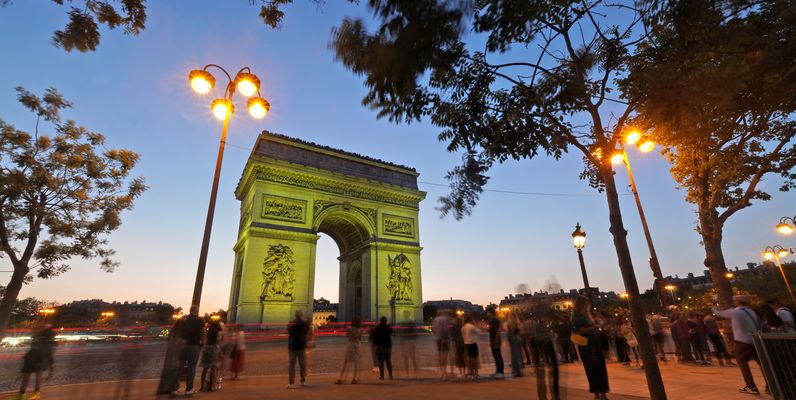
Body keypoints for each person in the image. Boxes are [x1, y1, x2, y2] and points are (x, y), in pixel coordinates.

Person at [713, 295, 768, 395]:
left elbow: (718, 313)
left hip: (742, 341)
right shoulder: (751, 311)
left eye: (734, 300)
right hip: (755, 340)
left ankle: (752, 386)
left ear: (738, 302)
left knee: (742, 363)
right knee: (761, 363)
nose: (733, 301)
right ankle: (769, 385)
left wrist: (713, 306)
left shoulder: (735, 311)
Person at [572, 295, 609, 400]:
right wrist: (595, 327)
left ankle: (602, 392)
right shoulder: (576, 315)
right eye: (586, 303)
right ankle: (597, 393)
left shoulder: (586, 314)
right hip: (587, 344)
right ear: (582, 304)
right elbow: (580, 331)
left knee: (600, 367)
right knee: (592, 368)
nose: (588, 305)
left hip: (595, 342)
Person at [16, 323, 56, 400]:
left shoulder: (46, 338)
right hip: (32, 358)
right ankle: (22, 395)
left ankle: (33, 395)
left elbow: (49, 352)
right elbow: (34, 348)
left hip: (39, 359)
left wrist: (51, 370)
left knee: (37, 377)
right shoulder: (37, 336)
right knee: (28, 378)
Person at [533, 305, 560, 400]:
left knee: (548, 375)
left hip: (546, 350)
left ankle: (551, 396)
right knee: (547, 375)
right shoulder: (541, 326)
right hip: (545, 349)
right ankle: (551, 396)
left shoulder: (543, 325)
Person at [178, 307, 204, 396]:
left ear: (189, 311)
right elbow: (203, 333)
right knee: (191, 367)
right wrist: (202, 344)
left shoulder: (184, 320)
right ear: (197, 311)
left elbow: (179, 333)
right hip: (194, 345)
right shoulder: (200, 320)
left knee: (180, 366)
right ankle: (189, 389)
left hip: (183, 345)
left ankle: (175, 387)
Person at [335, 317, 362, 384]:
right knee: (356, 363)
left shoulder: (349, 329)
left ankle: (340, 379)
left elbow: (347, 336)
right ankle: (354, 379)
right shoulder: (359, 330)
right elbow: (359, 338)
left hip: (350, 346)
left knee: (346, 363)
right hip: (357, 346)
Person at [287, 310, 310, 388]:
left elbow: (288, 331)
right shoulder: (304, 323)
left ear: (295, 315)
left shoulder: (291, 323)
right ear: (301, 315)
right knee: (302, 364)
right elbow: (307, 329)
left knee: (292, 365)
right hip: (301, 346)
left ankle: (291, 383)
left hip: (292, 346)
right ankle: (303, 380)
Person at [201, 318, 223, 391]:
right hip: (214, 348)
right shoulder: (219, 333)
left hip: (207, 348)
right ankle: (213, 386)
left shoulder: (209, 332)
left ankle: (202, 387)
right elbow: (218, 342)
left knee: (205, 368)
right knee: (213, 369)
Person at [485, 307, 505, 378]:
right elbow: (491, 330)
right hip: (493, 339)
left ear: (490, 313)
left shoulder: (495, 320)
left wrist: (496, 340)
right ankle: (497, 371)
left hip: (495, 340)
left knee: (498, 355)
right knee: (496, 356)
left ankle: (501, 372)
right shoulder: (492, 321)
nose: (486, 314)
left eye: (487, 312)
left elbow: (497, 331)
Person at [432, 310, 452, 378]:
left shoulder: (435, 319)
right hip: (445, 338)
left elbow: (433, 329)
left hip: (438, 338)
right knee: (445, 355)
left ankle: (440, 371)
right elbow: (446, 329)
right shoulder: (446, 318)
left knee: (440, 354)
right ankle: (444, 371)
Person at [462, 314, 481, 379]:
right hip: (473, 343)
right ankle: (475, 371)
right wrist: (475, 325)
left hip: (466, 343)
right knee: (474, 358)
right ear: (470, 319)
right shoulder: (471, 326)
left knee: (469, 358)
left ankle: (470, 371)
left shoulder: (463, 327)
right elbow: (479, 332)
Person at [506, 310, 524, 377]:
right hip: (518, 338)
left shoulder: (509, 323)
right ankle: (519, 371)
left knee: (514, 356)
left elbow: (510, 332)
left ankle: (515, 371)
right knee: (518, 355)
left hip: (512, 338)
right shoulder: (517, 322)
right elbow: (520, 331)